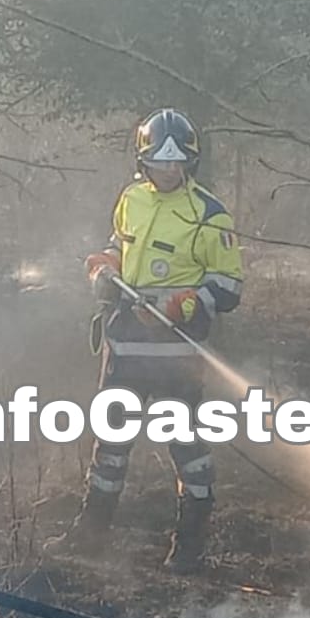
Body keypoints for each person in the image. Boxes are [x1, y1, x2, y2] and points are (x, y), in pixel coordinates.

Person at [60, 108, 243, 570]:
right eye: (159, 163)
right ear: (143, 163)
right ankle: (92, 533)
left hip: (177, 353)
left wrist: (183, 302)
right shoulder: (131, 200)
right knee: (111, 441)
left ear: (190, 164)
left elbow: (228, 287)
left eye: (177, 163)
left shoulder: (209, 214)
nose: (168, 170)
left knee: (185, 443)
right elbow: (119, 247)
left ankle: (189, 546)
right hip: (124, 346)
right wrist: (104, 268)